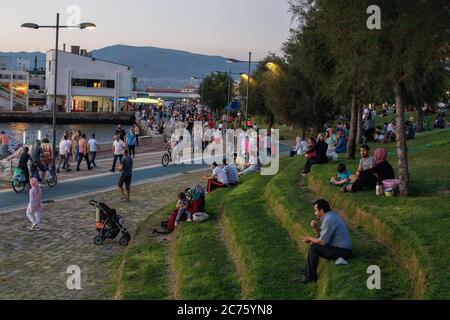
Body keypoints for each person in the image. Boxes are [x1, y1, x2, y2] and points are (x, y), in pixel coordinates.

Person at [300, 199, 352, 284]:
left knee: (314, 247)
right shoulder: (330, 216)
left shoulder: (329, 219)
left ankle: (309, 277)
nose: (315, 213)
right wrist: (315, 227)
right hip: (341, 249)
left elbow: (322, 242)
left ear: (322, 210)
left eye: (316, 210)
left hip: (343, 251)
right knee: (315, 243)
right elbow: (322, 235)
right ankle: (308, 270)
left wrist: (309, 238)